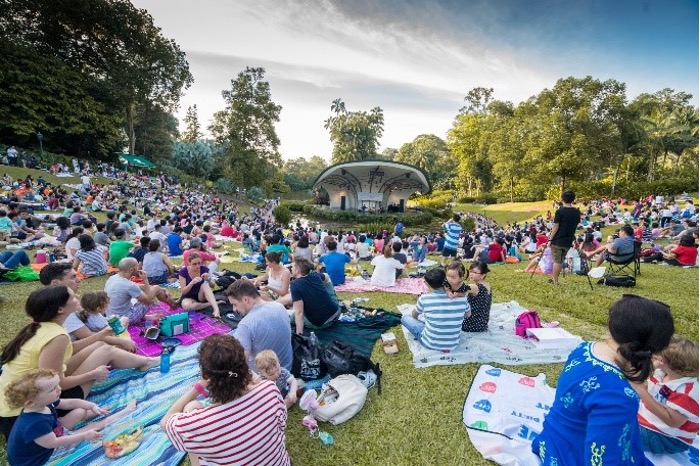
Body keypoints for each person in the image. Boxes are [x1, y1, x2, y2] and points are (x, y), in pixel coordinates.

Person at [531, 294, 675, 465]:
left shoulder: (584, 349)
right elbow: (602, 458)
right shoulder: (619, 396)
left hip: (552, 443)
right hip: (571, 456)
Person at [0, 286, 158, 440]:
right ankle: (147, 362)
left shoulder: (40, 326)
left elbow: (70, 348)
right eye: (73, 297)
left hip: (19, 402)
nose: (77, 297)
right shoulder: (56, 336)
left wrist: (101, 335)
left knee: (100, 345)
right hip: (27, 412)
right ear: (61, 309)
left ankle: (145, 362)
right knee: (105, 351)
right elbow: (59, 383)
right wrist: (93, 374)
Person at [161, 334, 291, 466]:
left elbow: (165, 422)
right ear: (245, 367)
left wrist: (199, 386)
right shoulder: (270, 390)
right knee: (193, 407)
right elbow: (280, 425)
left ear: (206, 376)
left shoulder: (199, 424)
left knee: (190, 408)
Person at [5, 368, 137, 466]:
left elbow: (68, 403)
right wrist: (84, 436)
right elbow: (54, 443)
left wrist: (91, 406)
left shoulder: (41, 404)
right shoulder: (34, 424)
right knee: (92, 428)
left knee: (80, 411)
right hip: (40, 458)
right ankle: (126, 411)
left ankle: (95, 413)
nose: (59, 389)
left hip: (52, 434)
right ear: (30, 402)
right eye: (52, 389)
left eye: (57, 384)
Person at [38, 263, 136, 353]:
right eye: (73, 277)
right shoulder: (61, 308)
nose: (78, 280)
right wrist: (121, 342)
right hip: (69, 354)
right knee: (114, 346)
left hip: (77, 344)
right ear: (55, 283)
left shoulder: (54, 300)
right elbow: (89, 336)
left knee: (121, 325)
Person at [636, 335, 698, 454]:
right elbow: (648, 389)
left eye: (657, 353)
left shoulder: (687, 393)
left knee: (619, 432)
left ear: (669, 363)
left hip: (668, 438)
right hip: (647, 422)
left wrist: (641, 392)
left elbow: (672, 421)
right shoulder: (662, 373)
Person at [224, 279, 293, 373]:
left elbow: (240, 364)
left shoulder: (246, 325)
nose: (234, 309)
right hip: (287, 369)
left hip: (266, 379)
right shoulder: (279, 306)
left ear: (245, 299)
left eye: (235, 304)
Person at [401, 267, 470, 351]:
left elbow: (414, 315)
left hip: (429, 343)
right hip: (453, 343)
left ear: (429, 285)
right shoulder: (462, 298)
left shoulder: (424, 298)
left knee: (405, 317)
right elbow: (468, 315)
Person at [286, 258, 341, 335]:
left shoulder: (295, 284)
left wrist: (299, 336)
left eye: (292, 267)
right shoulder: (315, 275)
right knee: (327, 281)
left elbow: (299, 313)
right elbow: (326, 276)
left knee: (292, 317)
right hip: (336, 313)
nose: (291, 268)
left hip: (321, 324)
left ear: (297, 270)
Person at [105, 257, 167, 323]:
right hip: (124, 319)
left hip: (111, 315)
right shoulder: (130, 285)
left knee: (139, 296)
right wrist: (145, 280)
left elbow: (135, 287)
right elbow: (148, 299)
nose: (139, 269)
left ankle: (144, 316)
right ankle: (173, 305)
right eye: (137, 267)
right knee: (155, 289)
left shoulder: (112, 278)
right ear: (131, 270)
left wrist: (147, 287)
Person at [548, 190, 581, 285]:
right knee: (561, 260)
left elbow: (555, 227)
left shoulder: (560, 211)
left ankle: (555, 281)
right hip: (568, 240)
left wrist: (550, 239)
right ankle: (555, 278)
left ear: (562, 199)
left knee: (557, 261)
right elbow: (575, 224)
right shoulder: (576, 212)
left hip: (558, 239)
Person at [178, 252, 221, 318]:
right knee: (186, 306)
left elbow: (212, 286)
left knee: (204, 285)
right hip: (188, 296)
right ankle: (210, 304)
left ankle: (216, 309)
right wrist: (191, 283)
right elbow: (183, 292)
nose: (197, 266)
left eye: (199, 263)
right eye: (194, 264)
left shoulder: (204, 269)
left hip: (200, 296)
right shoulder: (183, 272)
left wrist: (209, 279)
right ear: (189, 263)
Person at [461, 262, 492, 332]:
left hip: (471, 325)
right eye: (470, 271)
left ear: (483, 275)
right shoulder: (487, 285)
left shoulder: (474, 287)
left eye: (474, 272)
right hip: (483, 324)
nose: (471, 274)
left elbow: (458, 290)